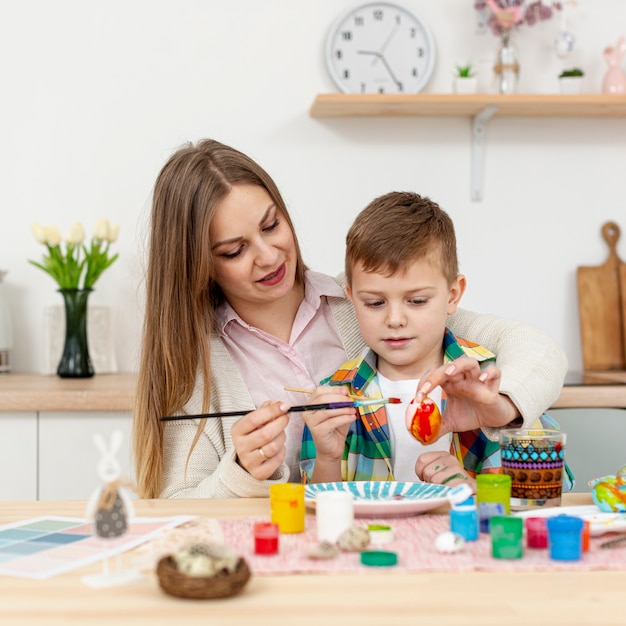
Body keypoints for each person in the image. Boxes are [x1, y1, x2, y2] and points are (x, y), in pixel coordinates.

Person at [132, 138, 568, 499]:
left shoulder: (368, 301)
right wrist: (242, 472)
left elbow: (537, 350)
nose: (268, 256)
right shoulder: (196, 365)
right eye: (234, 250)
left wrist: (497, 408)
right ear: (199, 264)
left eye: (271, 225)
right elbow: (171, 509)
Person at [300, 192, 572, 490]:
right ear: (352, 298)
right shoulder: (336, 395)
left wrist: (469, 485)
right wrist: (327, 458)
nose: (394, 319)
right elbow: (317, 515)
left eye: (416, 301)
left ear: (453, 295)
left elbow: (544, 490)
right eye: (375, 303)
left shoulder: (488, 384)